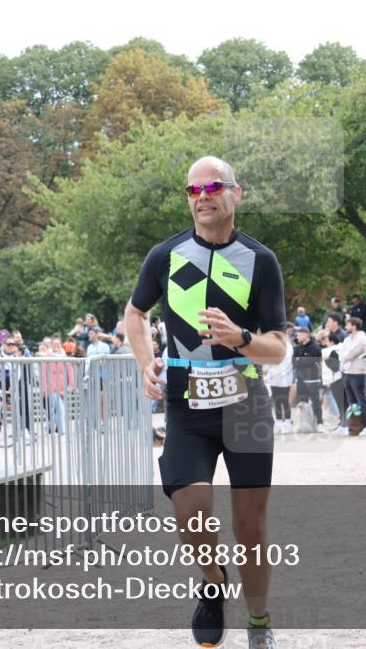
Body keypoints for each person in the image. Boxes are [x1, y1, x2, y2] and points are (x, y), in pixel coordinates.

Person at [123, 156, 286, 649]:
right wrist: (146, 360)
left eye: (214, 186)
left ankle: (259, 622)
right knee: (190, 509)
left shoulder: (260, 260)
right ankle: (213, 584)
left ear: (237, 193)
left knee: (250, 527)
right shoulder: (165, 256)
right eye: (194, 190)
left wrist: (240, 338)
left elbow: (277, 347)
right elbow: (135, 313)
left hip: (247, 406)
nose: (203, 196)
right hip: (186, 405)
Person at [339, 316, 366, 434]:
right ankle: (355, 425)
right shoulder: (347, 339)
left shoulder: (361, 339)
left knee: (361, 400)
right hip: (348, 372)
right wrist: (344, 356)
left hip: (358, 373)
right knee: (352, 402)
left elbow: (350, 354)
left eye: (348, 325)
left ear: (354, 326)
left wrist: (344, 356)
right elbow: (342, 353)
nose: (345, 327)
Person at [292, 327, 323, 429]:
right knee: (302, 402)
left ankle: (319, 423)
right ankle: (305, 424)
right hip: (301, 379)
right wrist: (302, 360)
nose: (297, 337)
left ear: (306, 335)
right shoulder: (297, 348)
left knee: (316, 402)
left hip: (313, 378)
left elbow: (309, 361)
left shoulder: (315, 347)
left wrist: (300, 360)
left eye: (299, 335)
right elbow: (294, 363)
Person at [263, 336, 294, 434]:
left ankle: (288, 424)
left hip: (285, 378)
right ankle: (280, 424)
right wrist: (266, 370)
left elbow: (285, 364)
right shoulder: (272, 346)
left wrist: (270, 373)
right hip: (273, 379)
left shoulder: (288, 348)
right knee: (276, 401)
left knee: (284, 401)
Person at [317, 329, 345, 430]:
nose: (324, 343)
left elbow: (334, 367)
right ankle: (341, 422)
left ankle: (343, 423)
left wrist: (327, 359)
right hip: (333, 379)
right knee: (337, 401)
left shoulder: (332, 350)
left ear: (332, 341)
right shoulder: (330, 350)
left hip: (335, 379)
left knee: (340, 402)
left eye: (326, 340)